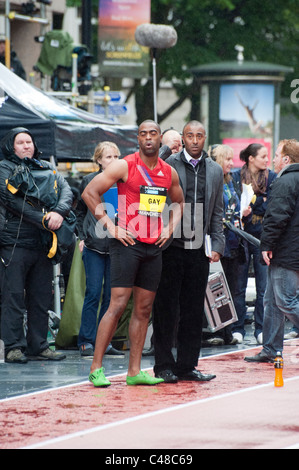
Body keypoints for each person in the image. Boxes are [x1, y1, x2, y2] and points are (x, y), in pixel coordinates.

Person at [82, 120, 185, 387]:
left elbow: (180, 203)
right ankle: (96, 368)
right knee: (116, 305)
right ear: (137, 139)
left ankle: (134, 372)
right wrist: (111, 226)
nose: (148, 138)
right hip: (127, 243)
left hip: (154, 247)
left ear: (160, 138)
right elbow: (89, 192)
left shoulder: (168, 171)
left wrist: (170, 228)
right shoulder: (125, 165)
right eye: (143, 134)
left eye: (153, 134)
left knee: (143, 308)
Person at [152, 120, 225, 384]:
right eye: (189, 136)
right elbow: (153, 186)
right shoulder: (170, 164)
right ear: (182, 139)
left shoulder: (215, 171)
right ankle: (163, 365)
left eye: (199, 136)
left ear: (205, 138)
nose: (194, 140)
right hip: (169, 246)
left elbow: (216, 211)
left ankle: (187, 365)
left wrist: (217, 245)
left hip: (198, 250)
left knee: (193, 310)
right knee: (165, 309)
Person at [0, 128, 73, 363]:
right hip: (14, 243)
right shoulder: (3, 168)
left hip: (42, 243)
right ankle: (13, 347)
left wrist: (59, 213)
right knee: (13, 298)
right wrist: (42, 219)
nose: (25, 146)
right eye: (20, 142)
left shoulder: (44, 166)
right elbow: (11, 200)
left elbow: (66, 190)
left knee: (41, 297)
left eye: (28, 141)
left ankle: (39, 345)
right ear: (11, 147)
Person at [245, 139, 299, 363]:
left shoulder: (284, 181)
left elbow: (276, 217)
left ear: (286, 159)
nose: (273, 160)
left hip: (285, 251)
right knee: (272, 302)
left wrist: (266, 245)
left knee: (285, 301)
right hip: (290, 249)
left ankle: (270, 348)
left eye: (276, 155)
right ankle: (271, 348)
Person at [76, 141, 124, 357]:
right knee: (93, 293)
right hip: (94, 245)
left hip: (116, 246)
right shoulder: (89, 180)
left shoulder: (124, 181)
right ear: (98, 160)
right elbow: (77, 212)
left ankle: (104, 341)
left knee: (111, 297)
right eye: (108, 157)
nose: (112, 161)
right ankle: (86, 341)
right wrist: (82, 237)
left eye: (116, 157)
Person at [203, 144, 252, 346]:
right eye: (227, 160)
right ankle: (216, 330)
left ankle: (228, 331)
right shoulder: (210, 181)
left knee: (231, 289)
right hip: (216, 243)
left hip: (234, 243)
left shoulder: (231, 181)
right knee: (215, 289)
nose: (232, 164)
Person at [231, 143, 276, 344]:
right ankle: (237, 328)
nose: (267, 160)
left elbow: (270, 205)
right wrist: (261, 202)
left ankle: (260, 328)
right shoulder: (235, 176)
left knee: (263, 287)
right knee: (238, 285)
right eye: (263, 156)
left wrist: (254, 203)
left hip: (262, 237)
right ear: (251, 158)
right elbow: (235, 205)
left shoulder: (271, 177)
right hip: (240, 236)